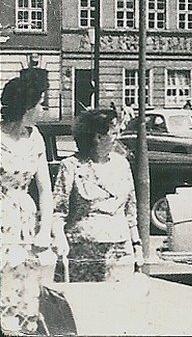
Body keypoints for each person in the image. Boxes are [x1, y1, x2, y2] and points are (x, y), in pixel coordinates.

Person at [1, 67, 61, 335]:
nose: (42, 108)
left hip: (25, 220)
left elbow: (45, 189)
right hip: (2, 220)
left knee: (26, 294)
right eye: (39, 103)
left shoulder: (35, 137)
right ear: (26, 106)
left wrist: (44, 230)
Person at [54, 108, 140, 282]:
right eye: (113, 133)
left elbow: (130, 213)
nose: (117, 138)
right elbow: (58, 211)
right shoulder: (71, 166)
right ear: (97, 137)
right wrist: (59, 239)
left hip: (120, 250)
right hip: (83, 252)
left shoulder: (122, 165)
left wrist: (137, 246)